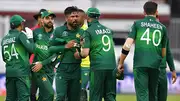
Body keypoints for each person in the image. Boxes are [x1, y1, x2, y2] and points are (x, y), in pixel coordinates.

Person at [117, 1, 168, 101]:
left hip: (140, 64)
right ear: (156, 12)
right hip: (155, 65)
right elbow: (163, 53)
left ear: (144, 12)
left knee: (142, 95)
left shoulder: (137, 24)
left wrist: (121, 62)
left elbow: (127, 45)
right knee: (153, 95)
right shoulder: (163, 28)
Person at [74, 7, 117, 101]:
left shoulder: (88, 31)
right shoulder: (108, 30)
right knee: (110, 95)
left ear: (88, 17)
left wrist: (78, 54)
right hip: (112, 66)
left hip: (98, 67)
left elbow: (85, 53)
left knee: (95, 95)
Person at [49, 6, 84, 101]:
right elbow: (50, 48)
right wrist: (65, 46)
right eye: (72, 17)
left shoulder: (83, 32)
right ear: (66, 18)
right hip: (62, 69)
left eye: (77, 16)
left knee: (74, 98)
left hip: (76, 69)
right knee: (60, 97)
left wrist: (83, 46)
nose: (75, 19)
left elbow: (87, 51)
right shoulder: (59, 31)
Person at [1, 15, 34, 101]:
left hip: (9, 72)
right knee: (24, 97)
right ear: (20, 24)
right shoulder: (20, 35)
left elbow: (4, 58)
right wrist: (30, 38)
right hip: (21, 73)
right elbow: (32, 49)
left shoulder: (4, 39)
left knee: (10, 98)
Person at [31, 10, 57, 101]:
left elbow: (56, 55)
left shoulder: (57, 34)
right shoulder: (36, 32)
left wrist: (43, 63)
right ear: (42, 20)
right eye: (47, 18)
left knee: (44, 97)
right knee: (50, 94)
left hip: (50, 70)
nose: (50, 20)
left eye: (52, 18)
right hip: (39, 70)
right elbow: (29, 49)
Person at [156, 14, 177, 101]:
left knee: (162, 97)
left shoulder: (164, 34)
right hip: (152, 69)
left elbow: (168, 53)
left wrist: (173, 70)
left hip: (162, 70)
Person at [30, 8, 47, 101]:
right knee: (32, 92)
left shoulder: (52, 32)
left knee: (45, 93)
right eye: (40, 17)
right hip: (33, 65)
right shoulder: (31, 31)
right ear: (38, 19)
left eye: (44, 17)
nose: (42, 19)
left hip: (46, 66)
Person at [78, 9, 90, 101]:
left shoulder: (88, 31)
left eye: (79, 17)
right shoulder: (72, 30)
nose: (77, 19)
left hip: (85, 65)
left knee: (82, 91)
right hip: (73, 65)